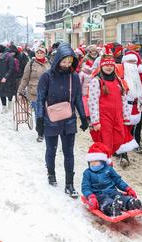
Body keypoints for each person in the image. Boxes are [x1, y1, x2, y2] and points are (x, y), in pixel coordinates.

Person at [36, 43, 89, 198]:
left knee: (69, 153)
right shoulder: (46, 76)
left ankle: (69, 184)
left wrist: (83, 116)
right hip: (50, 119)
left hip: (69, 120)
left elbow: (78, 98)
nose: (66, 65)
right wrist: (39, 119)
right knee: (51, 150)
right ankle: (51, 173)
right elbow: (40, 98)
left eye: (69, 62)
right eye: (64, 61)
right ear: (58, 59)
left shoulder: (74, 77)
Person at [88, 53, 137, 157]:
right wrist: (95, 121)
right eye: (106, 65)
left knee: (119, 139)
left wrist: (126, 116)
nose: (109, 67)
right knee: (106, 144)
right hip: (104, 118)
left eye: (111, 65)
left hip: (118, 117)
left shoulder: (118, 80)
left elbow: (123, 99)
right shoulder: (96, 81)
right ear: (101, 66)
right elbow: (93, 102)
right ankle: (107, 164)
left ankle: (107, 157)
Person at [81, 142, 142, 216]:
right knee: (105, 201)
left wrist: (128, 189)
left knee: (119, 196)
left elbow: (118, 180)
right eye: (91, 161)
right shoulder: (87, 173)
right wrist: (90, 196)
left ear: (102, 162)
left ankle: (130, 203)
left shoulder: (109, 169)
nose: (93, 163)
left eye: (96, 161)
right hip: (98, 194)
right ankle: (111, 208)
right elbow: (85, 187)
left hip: (112, 191)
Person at [17, 45, 51, 142]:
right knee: (39, 114)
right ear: (35, 53)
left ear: (45, 54)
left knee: (47, 113)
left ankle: (47, 130)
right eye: (38, 52)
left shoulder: (49, 64)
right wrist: (20, 91)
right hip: (34, 93)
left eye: (41, 52)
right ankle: (40, 133)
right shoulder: (31, 63)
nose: (39, 54)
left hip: (48, 93)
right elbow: (25, 78)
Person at [0, 44, 17, 113]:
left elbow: (11, 68)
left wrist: (5, 77)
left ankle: (10, 103)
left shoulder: (9, 57)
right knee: (1, 92)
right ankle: (4, 107)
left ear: (1, 51)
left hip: (9, 78)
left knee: (9, 92)